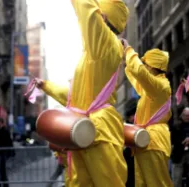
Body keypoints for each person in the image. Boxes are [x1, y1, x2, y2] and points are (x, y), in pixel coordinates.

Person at [32, 0, 129, 186]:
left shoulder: (105, 43)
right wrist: (47, 86)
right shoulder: (93, 52)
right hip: (84, 129)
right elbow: (75, 96)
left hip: (99, 131)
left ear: (103, 17)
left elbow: (87, 11)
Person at [123, 46, 173, 186]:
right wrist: (127, 61)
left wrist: (128, 51)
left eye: (145, 64)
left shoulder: (160, 87)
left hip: (153, 141)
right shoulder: (152, 89)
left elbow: (139, 72)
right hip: (146, 141)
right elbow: (136, 77)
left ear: (152, 67)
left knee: (157, 184)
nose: (144, 67)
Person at [171, 107, 189, 187]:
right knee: (177, 178)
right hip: (179, 155)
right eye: (186, 115)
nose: (188, 117)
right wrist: (182, 141)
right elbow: (172, 140)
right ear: (182, 116)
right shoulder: (176, 127)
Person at [0, 117, 14, 187]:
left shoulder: (5, 131)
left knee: (2, 170)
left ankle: (5, 185)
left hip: (3, 153)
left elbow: (9, 142)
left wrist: (10, 152)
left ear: (1, 122)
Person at [123, 98, 138, 187]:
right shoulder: (125, 127)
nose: (133, 118)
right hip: (128, 158)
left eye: (135, 114)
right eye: (131, 115)